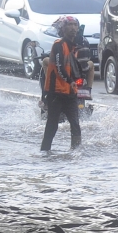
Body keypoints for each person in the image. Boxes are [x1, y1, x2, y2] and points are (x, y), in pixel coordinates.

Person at [40, 16, 83, 152]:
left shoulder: (74, 47)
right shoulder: (58, 45)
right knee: (52, 126)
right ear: (63, 29)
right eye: (69, 25)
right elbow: (59, 67)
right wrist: (70, 81)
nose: (72, 28)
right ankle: (45, 152)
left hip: (70, 94)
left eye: (75, 25)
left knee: (76, 125)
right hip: (56, 93)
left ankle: (75, 154)